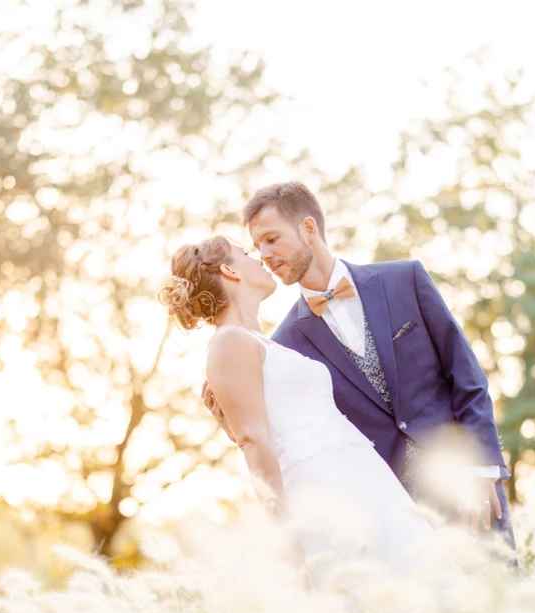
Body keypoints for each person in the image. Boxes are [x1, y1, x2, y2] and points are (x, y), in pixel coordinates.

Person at [207, 181, 515, 554]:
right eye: (257, 247)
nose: (265, 255)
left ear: (308, 229)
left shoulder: (405, 280)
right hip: (392, 518)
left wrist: (483, 467)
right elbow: (290, 433)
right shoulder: (284, 346)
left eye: (272, 239)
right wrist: (233, 426)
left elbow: (465, 374)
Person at [159, 237, 456, 586]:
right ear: (230, 270)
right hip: (320, 485)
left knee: (424, 578)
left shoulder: (264, 343)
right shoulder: (229, 342)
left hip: (362, 473)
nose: (260, 259)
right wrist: (286, 538)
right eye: (247, 254)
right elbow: (253, 441)